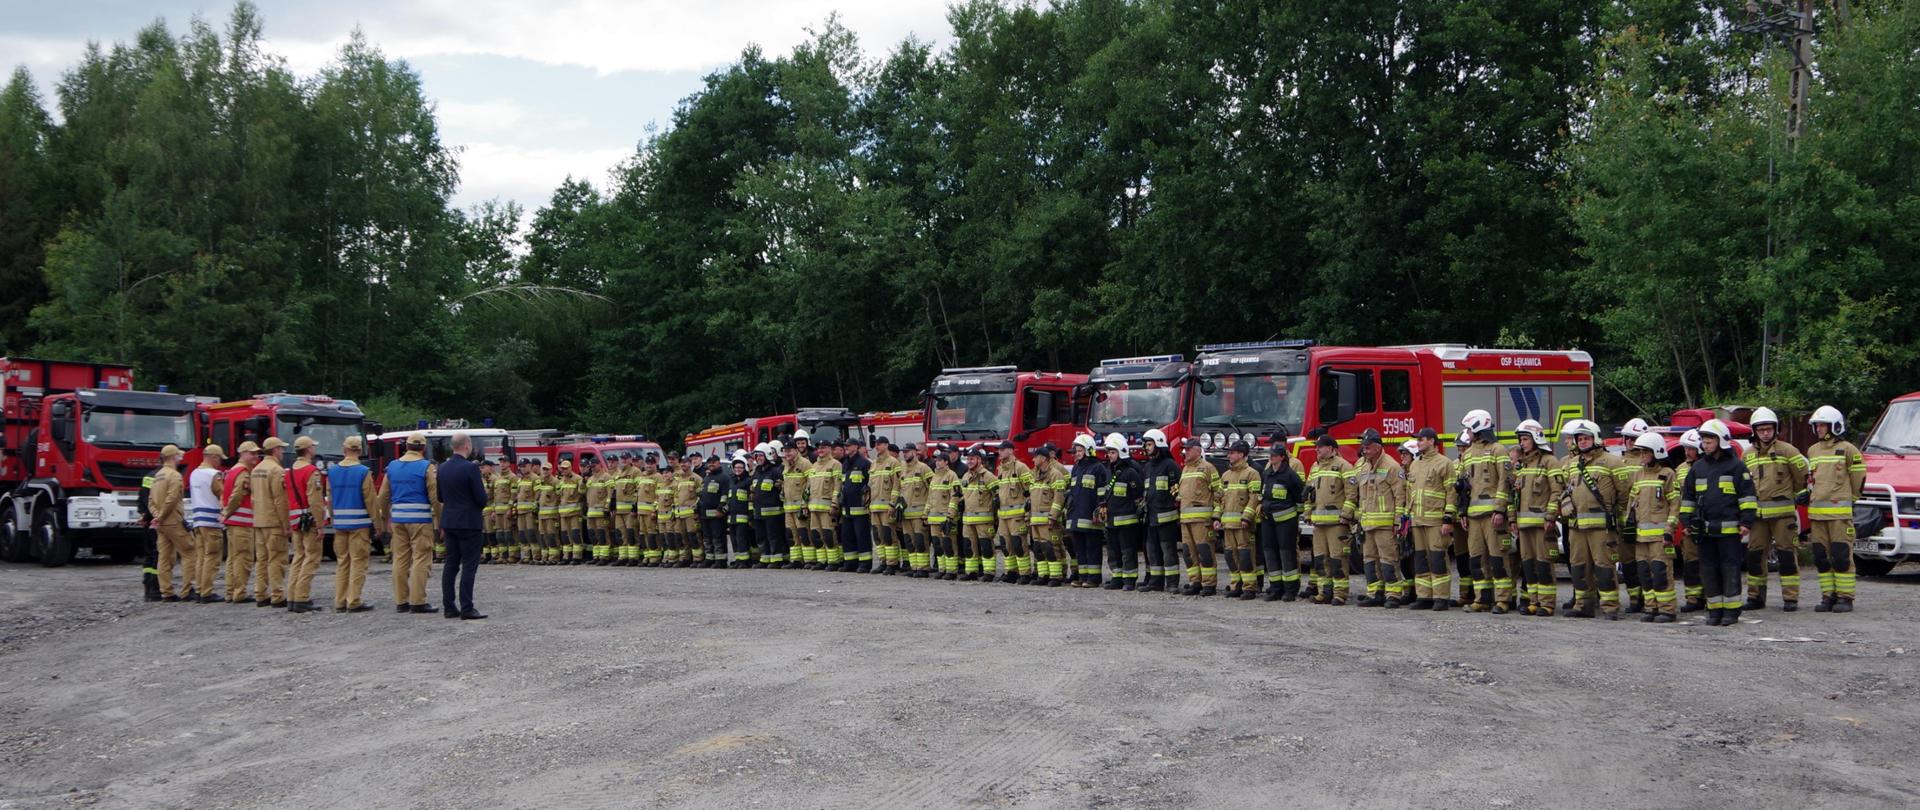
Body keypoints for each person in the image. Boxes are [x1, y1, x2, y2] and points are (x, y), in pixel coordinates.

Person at [1679, 419, 1757, 626]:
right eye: (1703, 440)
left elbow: (1748, 497)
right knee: (1708, 571)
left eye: (1709, 440)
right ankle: (1714, 611)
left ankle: (1731, 611)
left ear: (1721, 440)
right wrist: (1686, 522)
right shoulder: (1698, 468)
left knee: (1730, 569)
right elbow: (1688, 498)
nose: (1705, 444)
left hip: (1730, 531)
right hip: (1705, 532)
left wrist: (1746, 522)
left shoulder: (1736, 466)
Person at [1555, 420, 1624, 619]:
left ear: (1596, 439)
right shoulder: (1573, 464)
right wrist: (1565, 501)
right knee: (1578, 567)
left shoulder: (1612, 462)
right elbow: (1563, 488)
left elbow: (1625, 493)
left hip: (1601, 526)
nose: (1583, 442)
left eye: (1586, 438)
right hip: (1577, 526)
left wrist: (1620, 521)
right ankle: (1583, 605)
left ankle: (1610, 607)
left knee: (1604, 567)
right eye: (1580, 439)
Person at [1743, 407, 1808, 611]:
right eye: (1761, 429)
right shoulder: (1747, 455)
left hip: (1783, 515)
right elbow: (1743, 483)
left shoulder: (1788, 450)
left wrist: (1799, 495)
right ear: (1755, 431)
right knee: (1755, 556)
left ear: (1775, 429)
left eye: (1768, 429)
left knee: (1787, 555)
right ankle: (1755, 597)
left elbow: (1803, 476)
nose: (1765, 433)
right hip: (1758, 517)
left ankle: (1790, 598)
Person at [1805, 406, 1865, 612]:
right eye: (1817, 425)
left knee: (1841, 556)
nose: (1819, 429)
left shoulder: (1849, 449)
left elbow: (1858, 479)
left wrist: (1851, 499)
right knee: (1821, 558)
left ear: (1834, 426)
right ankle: (1827, 597)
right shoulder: (1813, 450)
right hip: (1817, 516)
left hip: (1839, 516)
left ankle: (1845, 598)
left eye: (1822, 425)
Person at [1458, 410, 1513, 613]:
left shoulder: (1498, 450)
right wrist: (1462, 513)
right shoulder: (1469, 453)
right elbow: (1464, 487)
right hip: (1473, 517)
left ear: (1479, 428)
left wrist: (1499, 510)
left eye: (1469, 429)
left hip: (1492, 516)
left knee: (1498, 558)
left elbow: (1504, 481)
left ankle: (1503, 600)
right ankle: (1482, 599)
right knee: (1477, 559)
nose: (1467, 433)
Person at [379, 432, 440, 613]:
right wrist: (441, 519)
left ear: (406, 446)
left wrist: (384, 518)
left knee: (400, 559)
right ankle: (418, 601)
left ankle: (401, 601)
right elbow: (434, 497)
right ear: (423, 448)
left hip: (398, 520)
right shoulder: (425, 467)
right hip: (420, 520)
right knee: (421, 558)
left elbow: (383, 496)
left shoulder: (392, 467)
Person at [1507, 420, 1562, 616]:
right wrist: (1512, 520)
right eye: (1521, 440)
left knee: (1544, 563)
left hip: (1541, 525)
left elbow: (1557, 492)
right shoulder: (1521, 465)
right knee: (1528, 565)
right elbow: (1514, 496)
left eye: (1525, 439)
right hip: (1523, 525)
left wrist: (1550, 517)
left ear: (1536, 439)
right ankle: (1534, 601)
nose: (1522, 443)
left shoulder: (1550, 462)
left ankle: (1547, 604)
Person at [1625, 433, 1680, 622]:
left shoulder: (1667, 474)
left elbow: (1675, 504)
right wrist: (1628, 526)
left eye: (1645, 452)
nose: (1641, 456)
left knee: (1661, 572)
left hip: (1659, 536)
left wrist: (1669, 529)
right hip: (1640, 537)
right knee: (1644, 573)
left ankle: (1667, 610)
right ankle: (1651, 608)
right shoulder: (1638, 474)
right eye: (1640, 452)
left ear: (1656, 452)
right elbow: (1632, 503)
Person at [435, 432, 489, 619]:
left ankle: (449, 606)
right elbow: (481, 499)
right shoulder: (470, 468)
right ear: (467, 446)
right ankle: (467, 607)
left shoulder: (442, 468)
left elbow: (440, 497)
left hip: (449, 521)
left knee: (450, 565)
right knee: (469, 565)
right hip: (469, 523)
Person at [1352, 430, 1406, 607]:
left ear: (1378, 447)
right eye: (1363, 447)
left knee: (1388, 559)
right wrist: (1358, 520)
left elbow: (1400, 496)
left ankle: (1394, 594)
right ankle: (1375, 593)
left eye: (1368, 447)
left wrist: (1398, 521)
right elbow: (1361, 496)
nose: (1364, 450)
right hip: (1367, 524)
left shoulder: (1392, 467)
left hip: (1385, 525)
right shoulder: (1363, 467)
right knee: (1369, 559)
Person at [1404, 428, 1456, 611]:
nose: (1418, 442)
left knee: (1437, 559)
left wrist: (1448, 519)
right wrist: (1407, 516)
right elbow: (1410, 492)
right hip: (1418, 520)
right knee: (1421, 561)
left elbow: (1451, 492)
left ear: (1432, 441)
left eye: (1422, 439)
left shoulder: (1445, 463)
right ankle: (1424, 596)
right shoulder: (1415, 464)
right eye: (1418, 439)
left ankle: (1441, 597)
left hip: (1436, 521)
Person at [328, 435, 379, 612]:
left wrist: (333, 520)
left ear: (344, 450)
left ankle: (340, 600)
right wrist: (378, 524)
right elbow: (371, 500)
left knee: (343, 562)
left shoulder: (332, 471)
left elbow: (330, 499)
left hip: (340, 524)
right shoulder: (363, 472)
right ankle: (354, 600)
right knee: (358, 561)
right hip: (359, 524)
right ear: (360, 451)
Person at [1257, 430, 1307, 602]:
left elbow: (1300, 496)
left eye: (1273, 455)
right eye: (1270, 455)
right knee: (1270, 554)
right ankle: (1275, 587)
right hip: (1268, 520)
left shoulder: (1290, 474)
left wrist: (1298, 516)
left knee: (1287, 555)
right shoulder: (1267, 472)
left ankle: (1290, 589)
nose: (1270, 457)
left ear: (1281, 457)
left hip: (1286, 521)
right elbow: (1263, 492)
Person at [1305, 434, 1355, 605]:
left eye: (1320, 446)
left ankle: (1340, 594)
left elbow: (1352, 494)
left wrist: (1346, 515)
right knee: (1320, 559)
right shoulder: (1315, 467)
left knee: (1338, 559)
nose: (1317, 449)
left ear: (1331, 448)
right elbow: (1309, 494)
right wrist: (1307, 514)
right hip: (1318, 523)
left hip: (1336, 523)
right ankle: (1324, 592)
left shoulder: (1344, 467)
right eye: (1316, 446)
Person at [285, 436, 329, 613]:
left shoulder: (288, 471)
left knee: (298, 557)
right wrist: (320, 525)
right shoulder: (311, 471)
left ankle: (292, 596)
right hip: (309, 519)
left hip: (295, 519)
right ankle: (302, 597)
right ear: (308, 450)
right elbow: (315, 500)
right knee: (311, 557)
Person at [1177, 437, 1222, 596]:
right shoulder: (1185, 469)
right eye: (1185, 449)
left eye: (1189, 449)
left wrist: (1216, 516)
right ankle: (1195, 582)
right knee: (1189, 554)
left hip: (1202, 521)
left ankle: (1209, 584)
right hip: (1186, 520)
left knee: (1205, 552)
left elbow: (1219, 493)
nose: (1185, 452)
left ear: (1198, 450)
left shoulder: (1208, 468)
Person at [1139, 429, 1181, 593]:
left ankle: (1172, 583)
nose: (1147, 448)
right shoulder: (1148, 467)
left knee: (1168, 551)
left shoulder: (1170, 465)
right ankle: (1156, 582)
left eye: (1150, 444)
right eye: (1146, 445)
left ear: (1159, 444)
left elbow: (1176, 489)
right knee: (1152, 550)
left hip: (1166, 518)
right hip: (1151, 517)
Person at [1064, 434, 1108, 589]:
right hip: (1076, 516)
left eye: (1079, 450)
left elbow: (1102, 492)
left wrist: (1100, 510)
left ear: (1089, 449)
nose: (1076, 453)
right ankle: (1083, 577)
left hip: (1091, 517)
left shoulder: (1098, 468)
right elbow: (1073, 493)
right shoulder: (1076, 468)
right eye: (1076, 450)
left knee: (1092, 548)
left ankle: (1094, 578)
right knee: (1079, 549)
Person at [147, 444, 190, 602]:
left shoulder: (157, 476)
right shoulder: (174, 475)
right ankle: (187, 590)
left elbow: (151, 500)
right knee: (190, 552)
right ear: (173, 457)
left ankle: (166, 591)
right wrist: (162, 516)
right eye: (179, 455)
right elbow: (172, 499)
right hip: (173, 521)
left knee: (164, 557)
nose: (180, 458)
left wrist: (157, 516)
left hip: (162, 524)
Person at [1217, 441, 1259, 599]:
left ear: (1241, 455)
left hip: (1243, 525)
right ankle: (1236, 585)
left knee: (1245, 555)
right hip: (1228, 525)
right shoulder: (1226, 475)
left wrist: (1247, 517)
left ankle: (1249, 587)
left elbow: (1254, 498)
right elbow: (1220, 499)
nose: (1229, 455)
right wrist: (1217, 518)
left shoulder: (1251, 473)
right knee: (1230, 555)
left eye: (1232, 452)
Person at [220, 440, 260, 604]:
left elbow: (224, 493)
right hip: (241, 522)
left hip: (232, 522)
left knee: (232, 558)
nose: (255, 456)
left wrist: (225, 513)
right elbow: (237, 495)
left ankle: (230, 591)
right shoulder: (243, 472)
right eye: (252, 453)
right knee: (243, 558)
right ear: (242, 454)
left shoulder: (231, 471)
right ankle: (239, 592)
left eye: (256, 453)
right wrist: (226, 512)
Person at [186, 444, 226, 603]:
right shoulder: (213, 474)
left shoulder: (194, 473)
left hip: (198, 520)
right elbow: (222, 495)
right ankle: (207, 592)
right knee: (212, 557)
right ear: (214, 457)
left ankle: (199, 589)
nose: (220, 463)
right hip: (211, 520)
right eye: (219, 459)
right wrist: (225, 512)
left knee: (201, 557)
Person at [993, 441, 1034, 584]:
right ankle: (1011, 572)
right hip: (1003, 515)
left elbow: (1030, 491)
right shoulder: (1001, 469)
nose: (1000, 452)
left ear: (1011, 451)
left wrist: (1028, 514)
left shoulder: (1021, 468)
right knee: (1006, 545)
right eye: (999, 450)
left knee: (1019, 544)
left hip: (1017, 515)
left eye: (1003, 450)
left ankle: (1025, 573)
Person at [1028, 443, 1069, 586]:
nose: (1033, 460)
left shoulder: (1055, 475)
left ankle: (1056, 576)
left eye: (1035, 457)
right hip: (1035, 520)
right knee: (1038, 548)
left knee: (1051, 548)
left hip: (1048, 520)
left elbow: (1059, 498)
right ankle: (1043, 575)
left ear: (1043, 458)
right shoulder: (1035, 474)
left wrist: (1053, 516)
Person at [959, 448, 999, 581]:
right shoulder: (966, 476)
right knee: (969, 547)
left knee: (986, 547)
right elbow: (961, 495)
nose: (969, 461)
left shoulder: (988, 476)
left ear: (979, 460)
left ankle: (989, 573)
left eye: (972, 458)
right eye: (968, 459)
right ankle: (971, 572)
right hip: (967, 520)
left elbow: (998, 496)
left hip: (984, 520)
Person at [868, 437, 905, 574]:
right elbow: (871, 486)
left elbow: (897, 485)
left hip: (887, 507)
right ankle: (883, 562)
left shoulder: (894, 463)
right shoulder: (874, 464)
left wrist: (892, 503)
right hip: (874, 507)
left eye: (880, 444)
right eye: (876, 444)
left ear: (886, 445)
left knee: (889, 535)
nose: (877, 446)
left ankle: (892, 563)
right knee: (878, 536)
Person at [898, 444, 934, 577]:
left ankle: (923, 568)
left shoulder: (923, 468)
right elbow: (899, 489)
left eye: (907, 452)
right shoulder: (902, 469)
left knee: (920, 541)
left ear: (914, 452)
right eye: (904, 452)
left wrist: (927, 510)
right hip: (906, 514)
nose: (905, 454)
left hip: (919, 514)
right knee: (909, 541)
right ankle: (914, 567)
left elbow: (933, 489)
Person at [925, 446, 961, 579]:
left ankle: (951, 571)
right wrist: (925, 513)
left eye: (940, 460)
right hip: (933, 518)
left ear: (946, 462)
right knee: (937, 545)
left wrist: (950, 515)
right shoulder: (934, 477)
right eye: (936, 460)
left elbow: (955, 496)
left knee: (948, 544)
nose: (937, 462)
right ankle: (942, 569)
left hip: (946, 518)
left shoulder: (952, 476)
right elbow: (930, 498)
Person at [840, 439, 874, 572]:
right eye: (845, 445)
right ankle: (850, 564)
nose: (846, 448)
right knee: (847, 537)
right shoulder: (845, 464)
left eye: (848, 446)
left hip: (860, 509)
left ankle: (865, 565)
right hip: (846, 508)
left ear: (856, 447)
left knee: (862, 538)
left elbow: (869, 485)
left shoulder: (864, 463)